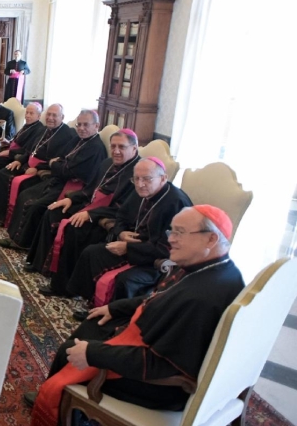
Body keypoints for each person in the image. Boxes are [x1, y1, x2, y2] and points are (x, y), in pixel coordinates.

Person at [26, 206, 244, 426]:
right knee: (94, 324)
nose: (171, 240)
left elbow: (162, 364)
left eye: (179, 232)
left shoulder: (203, 298)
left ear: (211, 239)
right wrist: (116, 308)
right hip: (153, 343)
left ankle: (62, 410)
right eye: (171, 232)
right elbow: (160, 298)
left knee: (71, 350)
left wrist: (93, 353)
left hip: (159, 386)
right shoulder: (211, 268)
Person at [66, 158, 192, 311]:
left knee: (125, 280)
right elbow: (121, 216)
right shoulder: (140, 191)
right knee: (92, 252)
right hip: (133, 246)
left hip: (154, 261)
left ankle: (114, 317)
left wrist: (128, 248)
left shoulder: (177, 203)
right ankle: (91, 304)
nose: (140, 184)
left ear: (163, 178)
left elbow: (168, 248)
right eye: (136, 178)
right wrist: (121, 233)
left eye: (146, 178)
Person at [28, 130, 140, 283]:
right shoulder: (107, 163)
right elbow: (90, 189)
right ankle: (40, 264)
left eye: (122, 147)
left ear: (134, 148)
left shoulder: (138, 173)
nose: (116, 151)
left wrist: (91, 214)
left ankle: (64, 283)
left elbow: (123, 209)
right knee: (52, 212)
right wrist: (72, 200)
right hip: (90, 206)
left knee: (74, 228)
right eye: (113, 146)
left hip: (106, 217)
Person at [0, 109, 107, 251]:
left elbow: (69, 170)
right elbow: (61, 159)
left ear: (96, 126)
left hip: (73, 188)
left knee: (35, 205)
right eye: (79, 124)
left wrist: (55, 164)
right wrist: (56, 164)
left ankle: (24, 243)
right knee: (25, 195)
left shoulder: (96, 147)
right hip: (59, 180)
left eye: (86, 125)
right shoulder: (77, 139)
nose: (81, 128)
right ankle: (17, 237)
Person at [0, 104, 75, 223]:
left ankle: (10, 219)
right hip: (28, 163)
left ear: (62, 117)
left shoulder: (67, 135)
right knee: (4, 172)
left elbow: (58, 159)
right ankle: (0, 215)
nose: (50, 118)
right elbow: (30, 150)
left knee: (20, 184)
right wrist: (19, 160)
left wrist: (38, 169)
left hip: (43, 171)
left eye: (54, 115)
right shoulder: (43, 129)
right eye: (48, 114)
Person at [0, 103, 45, 200]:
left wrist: (10, 152)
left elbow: (27, 149)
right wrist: (8, 143)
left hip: (17, 156)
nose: (27, 116)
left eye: (31, 113)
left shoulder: (39, 129)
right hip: (10, 150)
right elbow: (17, 140)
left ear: (39, 116)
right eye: (27, 113)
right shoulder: (28, 125)